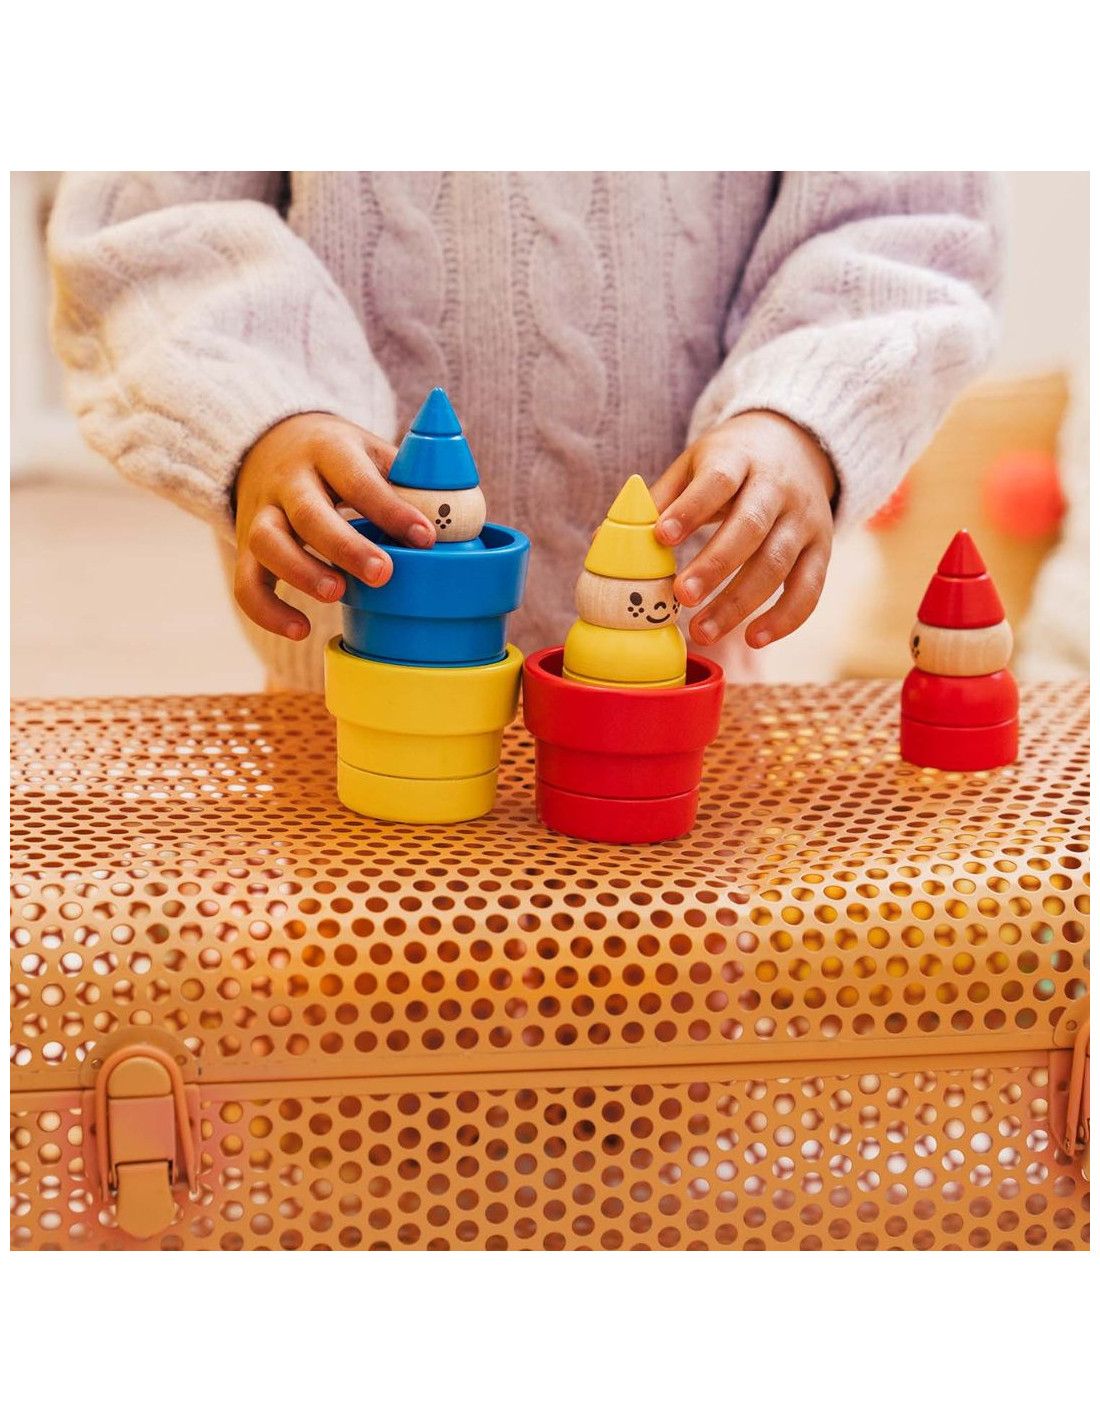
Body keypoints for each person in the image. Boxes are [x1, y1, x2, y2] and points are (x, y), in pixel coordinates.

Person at [48, 172, 1001, 689]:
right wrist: (267, 411)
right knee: (358, 983)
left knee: (674, 985)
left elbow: (904, 220)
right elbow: (153, 220)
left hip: (681, 687)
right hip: (349, 690)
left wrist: (796, 413)